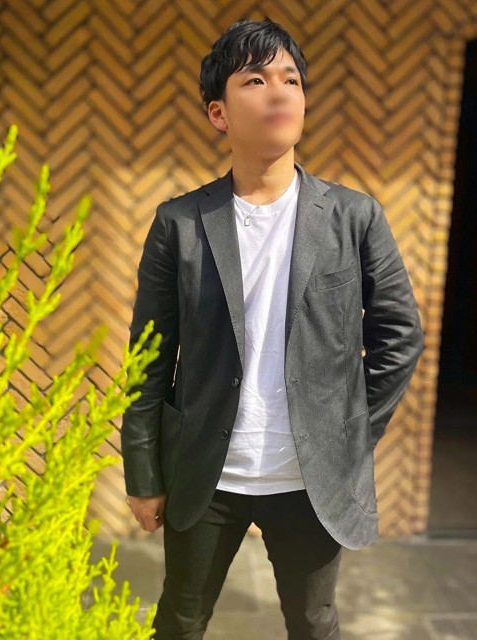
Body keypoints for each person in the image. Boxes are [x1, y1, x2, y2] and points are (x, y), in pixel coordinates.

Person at [121, 16, 425, 640]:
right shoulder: (179, 223)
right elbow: (147, 358)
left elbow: (400, 337)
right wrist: (143, 474)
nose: (280, 92)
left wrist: (347, 434)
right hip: (208, 472)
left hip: (309, 478)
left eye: (291, 79)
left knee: (314, 622)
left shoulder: (354, 216)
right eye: (255, 80)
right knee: (180, 620)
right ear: (219, 113)